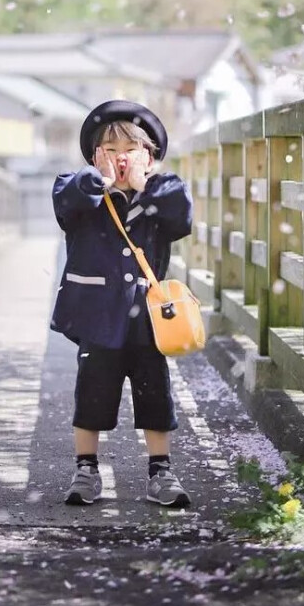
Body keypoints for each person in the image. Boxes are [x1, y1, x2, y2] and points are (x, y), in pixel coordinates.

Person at [51, 100, 194, 508]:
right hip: (98, 318)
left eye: (129, 150)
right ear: (95, 156)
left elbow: (181, 217)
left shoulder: (163, 191)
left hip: (150, 320)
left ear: (148, 156)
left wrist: (144, 183)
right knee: (92, 391)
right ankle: (86, 468)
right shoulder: (81, 189)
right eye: (109, 151)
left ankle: (161, 470)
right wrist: (98, 180)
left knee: (155, 392)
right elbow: (66, 203)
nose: (119, 159)